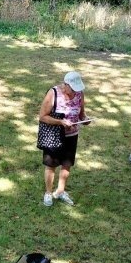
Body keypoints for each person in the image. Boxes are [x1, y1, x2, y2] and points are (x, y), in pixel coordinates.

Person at [38, 71, 90, 207]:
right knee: (51, 165)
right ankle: (48, 193)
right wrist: (61, 122)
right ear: (65, 84)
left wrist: (85, 120)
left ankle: (60, 191)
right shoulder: (53, 93)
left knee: (67, 164)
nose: (75, 92)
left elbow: (81, 114)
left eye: (77, 89)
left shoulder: (79, 93)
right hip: (54, 135)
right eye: (72, 89)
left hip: (72, 136)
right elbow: (43, 116)